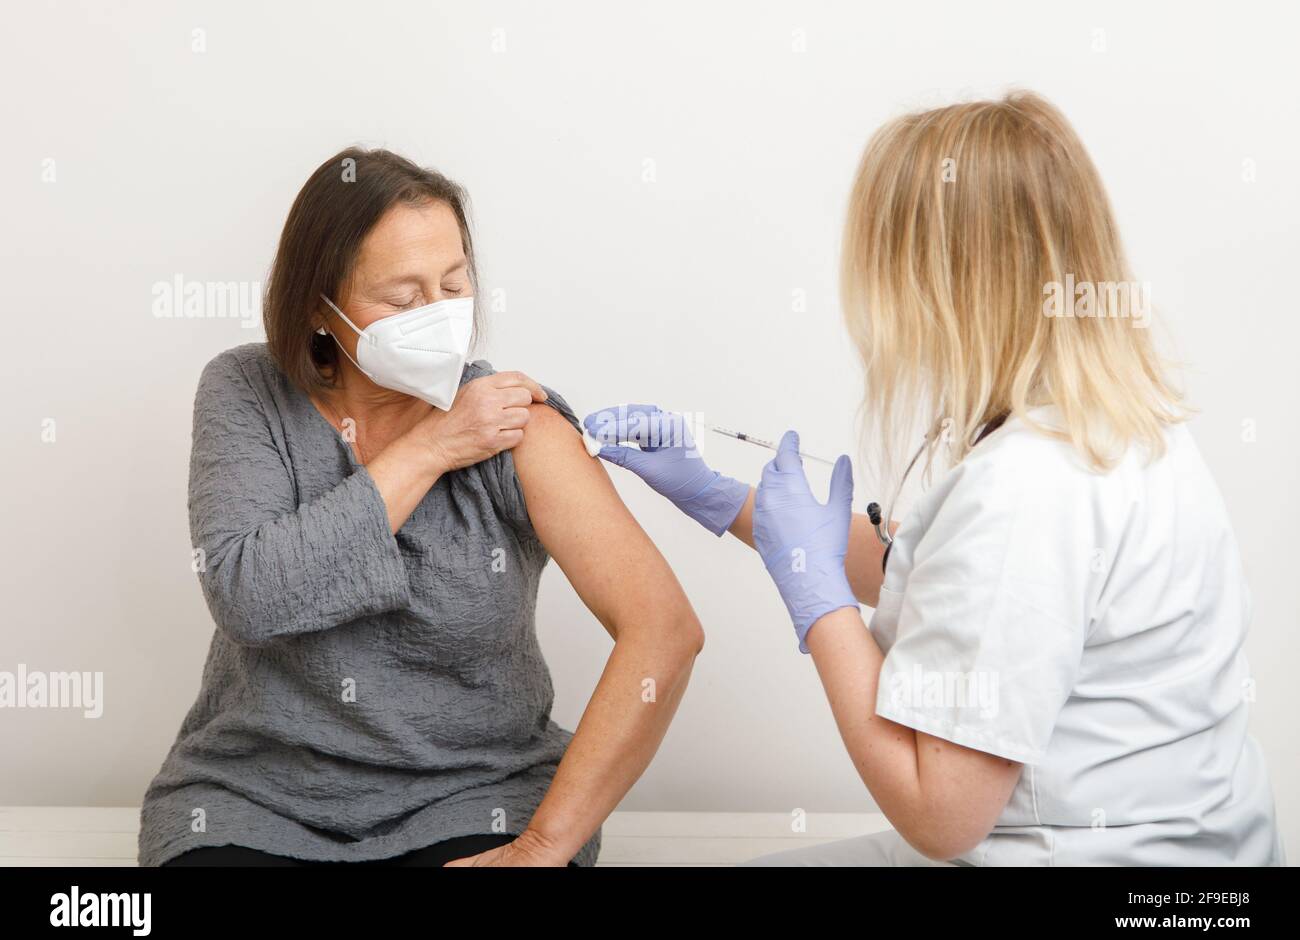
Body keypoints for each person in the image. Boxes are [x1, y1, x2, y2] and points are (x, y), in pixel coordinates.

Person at [586, 92, 1284, 866]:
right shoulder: (1120, 420)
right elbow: (948, 582)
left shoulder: (1027, 488)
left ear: (942, 278)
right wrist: (722, 499)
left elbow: (941, 816)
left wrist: (817, 602)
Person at [139, 148, 704, 867]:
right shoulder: (247, 391)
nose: (437, 315)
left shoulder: (517, 426)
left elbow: (665, 630)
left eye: (454, 282)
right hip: (257, 797)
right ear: (320, 306)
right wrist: (432, 447)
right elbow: (250, 595)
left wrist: (542, 846)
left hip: (475, 794)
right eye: (402, 300)